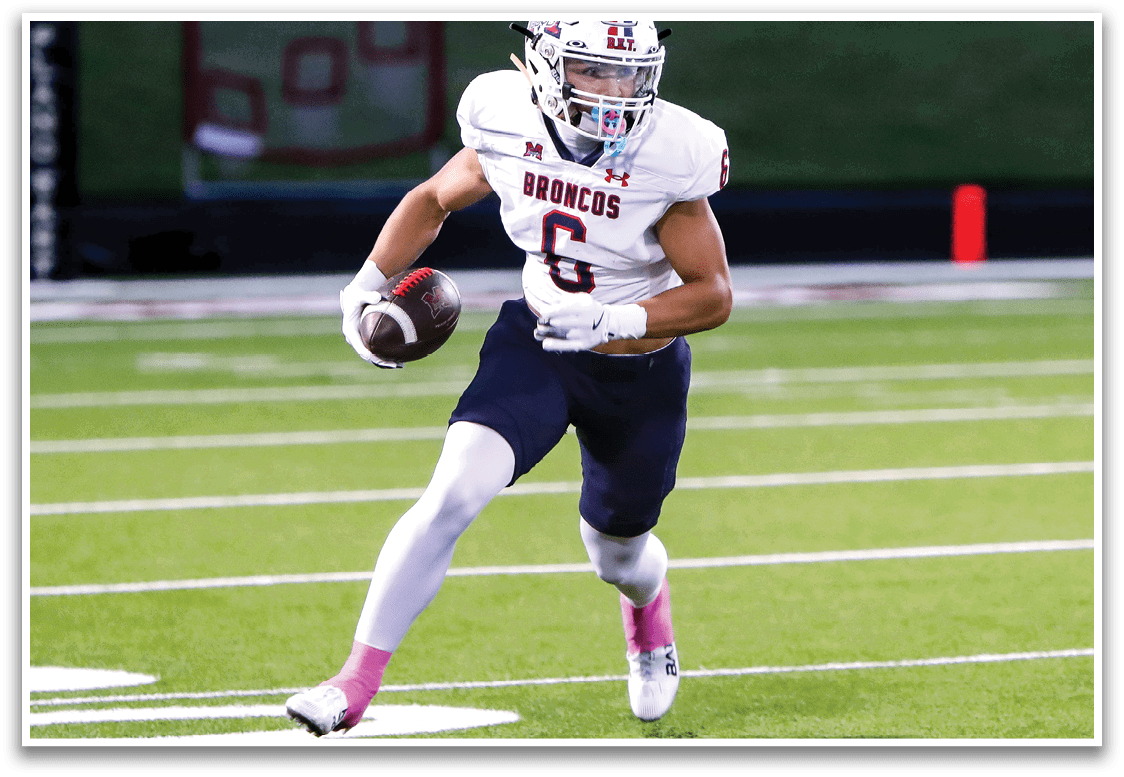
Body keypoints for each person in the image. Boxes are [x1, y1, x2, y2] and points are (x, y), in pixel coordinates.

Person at [286, 19, 731, 736]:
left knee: (616, 552)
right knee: (451, 493)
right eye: (596, 69)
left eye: (631, 72)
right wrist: (365, 283)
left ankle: (649, 614)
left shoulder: (672, 151)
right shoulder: (504, 115)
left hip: (637, 369)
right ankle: (354, 681)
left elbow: (713, 293)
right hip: (538, 341)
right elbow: (434, 199)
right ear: (551, 65)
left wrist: (618, 321)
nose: (618, 89)